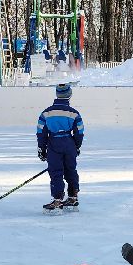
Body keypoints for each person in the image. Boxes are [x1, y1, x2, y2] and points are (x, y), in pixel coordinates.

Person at [36, 81, 83, 214]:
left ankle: (57, 200)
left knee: (56, 171)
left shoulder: (46, 113)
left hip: (53, 144)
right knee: (70, 170)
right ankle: (73, 197)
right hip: (69, 143)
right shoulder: (74, 113)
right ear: (69, 95)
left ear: (57, 95)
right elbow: (79, 131)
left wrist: (42, 148)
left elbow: (41, 132)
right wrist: (76, 146)